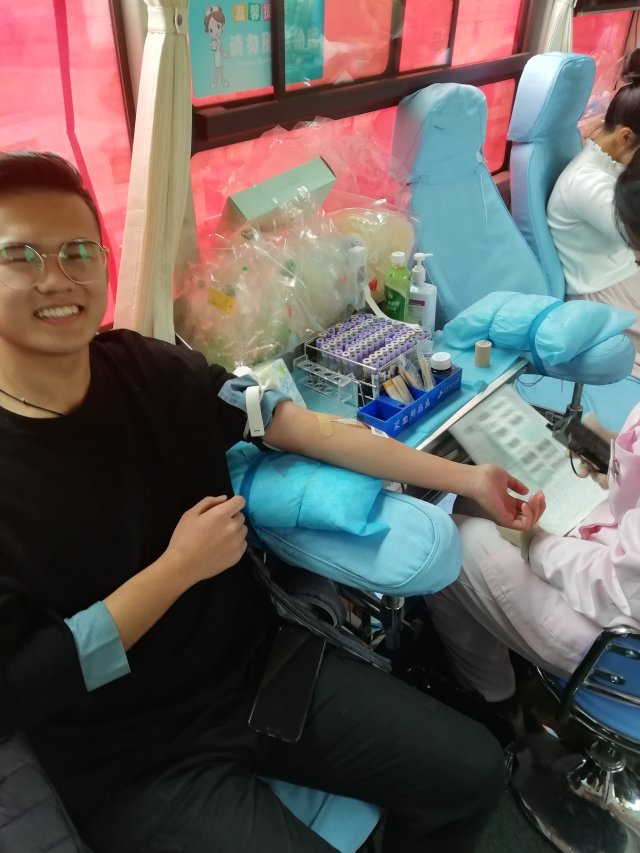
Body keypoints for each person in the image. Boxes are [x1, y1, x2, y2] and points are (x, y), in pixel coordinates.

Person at [0, 151, 545, 853]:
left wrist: (467, 481)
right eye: (20, 255)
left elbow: (298, 426)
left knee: (472, 770)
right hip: (131, 753)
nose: (57, 277)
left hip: (254, 669)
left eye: (77, 250)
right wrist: (176, 570)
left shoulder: (149, 369)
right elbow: (20, 688)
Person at [428, 404, 640, 710]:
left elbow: (618, 586)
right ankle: (513, 659)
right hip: (613, 548)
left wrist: (536, 545)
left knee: (447, 542)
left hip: (621, 647)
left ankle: (498, 706)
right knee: (478, 504)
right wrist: (624, 464)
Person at [547, 48, 640, 377]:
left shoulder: (609, 165)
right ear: (625, 137)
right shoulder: (586, 184)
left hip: (622, 276)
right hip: (601, 293)